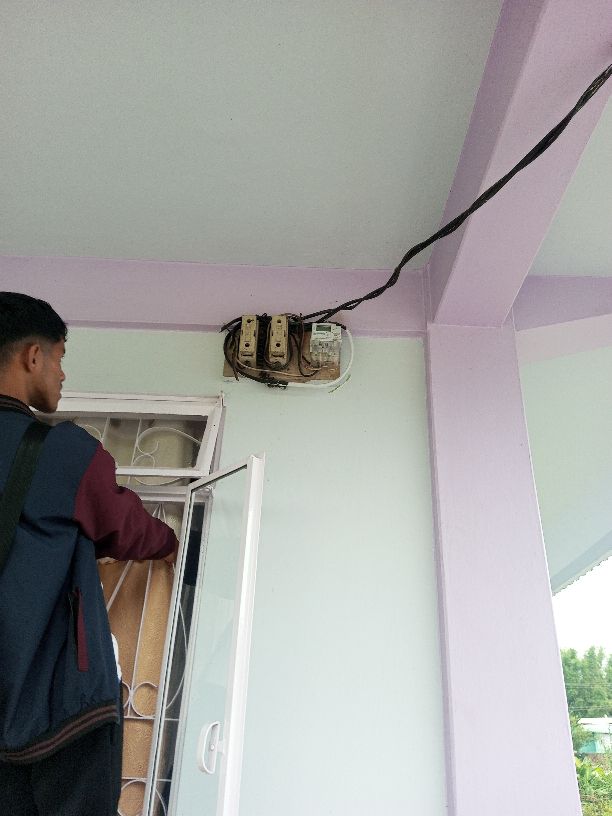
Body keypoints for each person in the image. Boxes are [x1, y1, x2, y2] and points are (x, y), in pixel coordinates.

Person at [0, 292, 178, 816]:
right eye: (59, 358)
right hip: (57, 716)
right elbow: (128, 529)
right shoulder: (61, 452)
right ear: (33, 356)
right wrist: (175, 544)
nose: (61, 374)